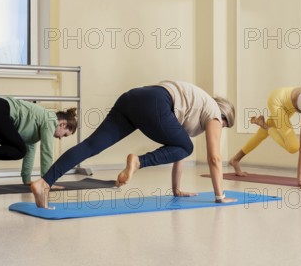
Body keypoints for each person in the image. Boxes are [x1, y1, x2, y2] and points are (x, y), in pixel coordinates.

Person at [30, 81, 237, 209]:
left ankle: (43, 183)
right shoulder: (213, 113)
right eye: (223, 125)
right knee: (187, 147)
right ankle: (138, 162)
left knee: (92, 145)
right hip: (156, 101)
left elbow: (177, 152)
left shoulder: (195, 109)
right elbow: (215, 158)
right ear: (223, 116)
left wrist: (177, 190)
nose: (219, 129)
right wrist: (220, 196)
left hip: (132, 99)